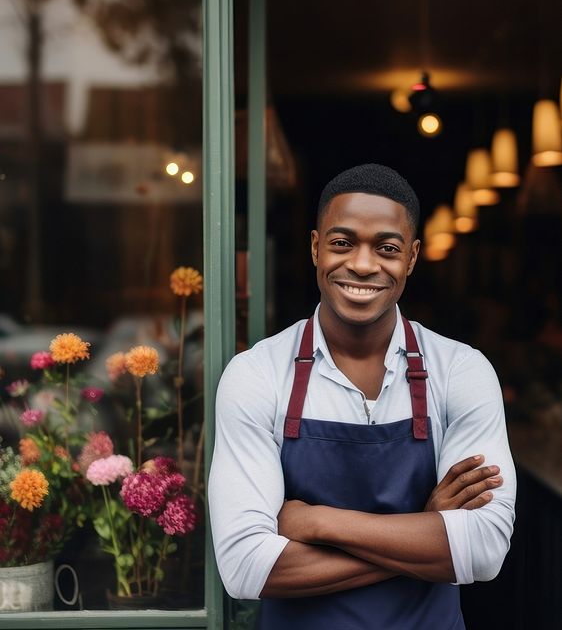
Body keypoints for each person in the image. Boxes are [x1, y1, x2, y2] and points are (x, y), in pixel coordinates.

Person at [209, 164, 516, 629]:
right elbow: (246, 566)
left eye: (387, 248)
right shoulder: (258, 374)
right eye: (342, 242)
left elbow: (484, 551)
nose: (363, 264)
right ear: (316, 247)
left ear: (411, 258)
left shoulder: (460, 371)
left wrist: (316, 523)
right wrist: (426, 530)